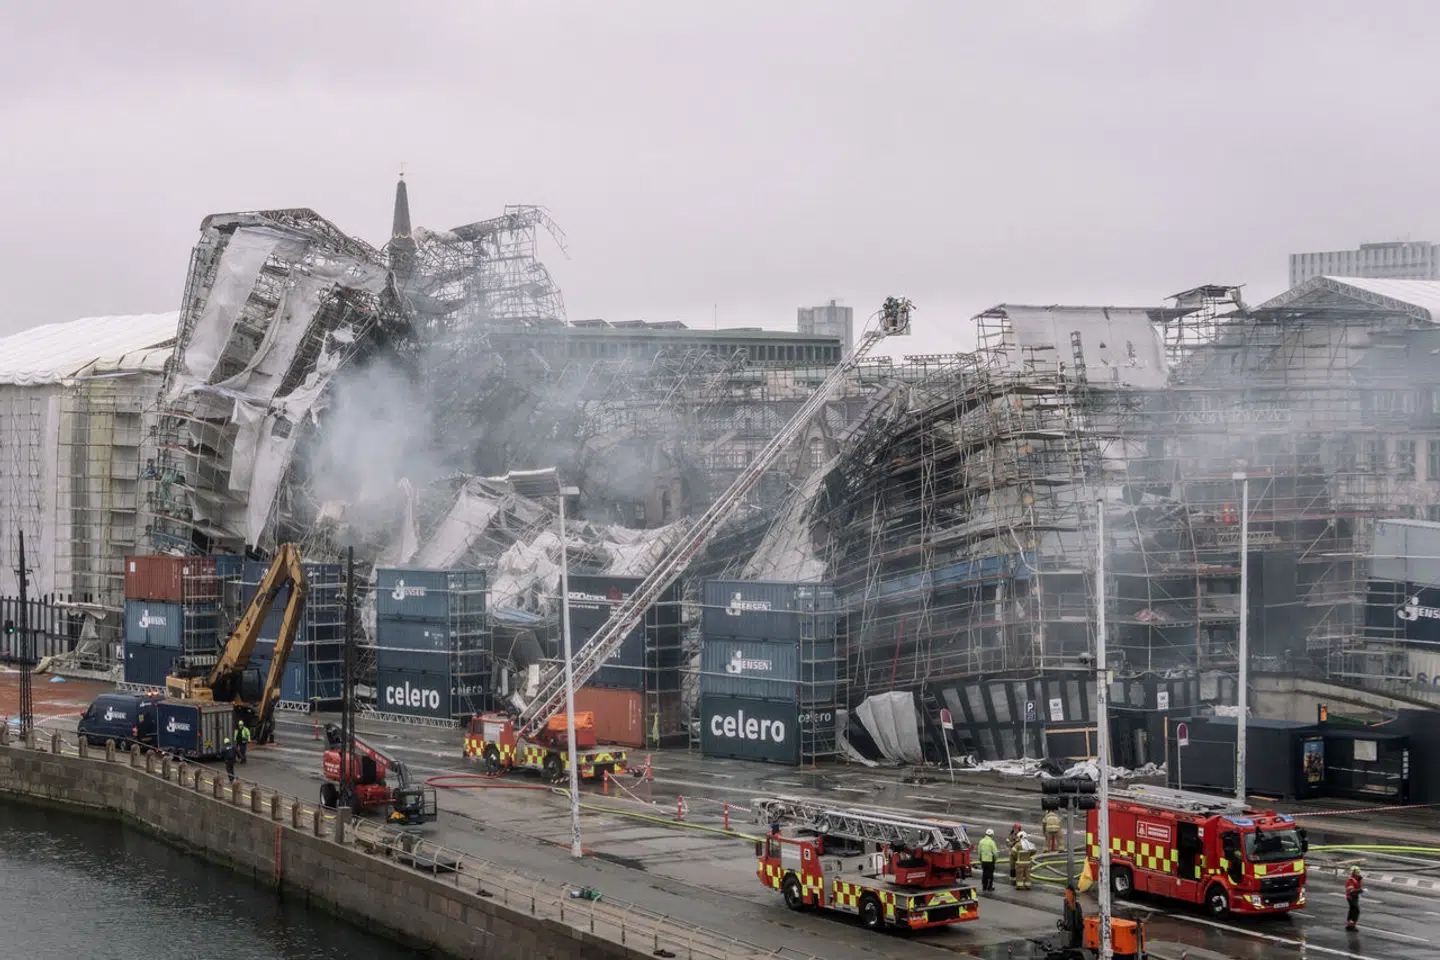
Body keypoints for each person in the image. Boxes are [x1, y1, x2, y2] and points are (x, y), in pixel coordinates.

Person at [977, 828, 1000, 892]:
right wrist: (995, 859)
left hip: (983, 860)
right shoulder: (992, 842)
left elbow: (979, 851)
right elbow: (995, 853)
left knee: (984, 873)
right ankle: (989, 887)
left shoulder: (981, 841)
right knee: (990, 874)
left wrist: (980, 859)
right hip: (990, 861)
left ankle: (984, 886)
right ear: (992, 835)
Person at [1345, 866, 1364, 931]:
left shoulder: (1359, 878)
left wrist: (1360, 890)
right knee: (1355, 910)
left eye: (1359, 872)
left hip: (1356, 896)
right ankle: (1351, 925)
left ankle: (1350, 924)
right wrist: (1359, 890)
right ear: (1353, 872)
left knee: (1353, 910)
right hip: (1351, 896)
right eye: (1357, 872)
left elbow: (1359, 887)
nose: (1358, 873)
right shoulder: (1350, 880)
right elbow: (1350, 890)